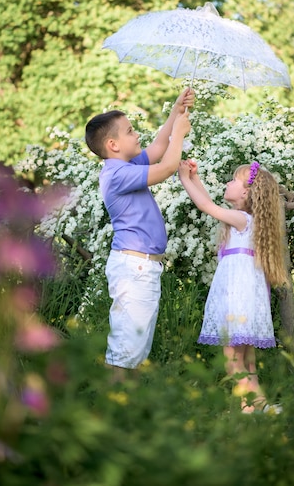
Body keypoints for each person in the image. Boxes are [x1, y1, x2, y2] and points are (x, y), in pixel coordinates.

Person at [85, 88, 194, 375]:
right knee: (125, 350)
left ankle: (126, 412)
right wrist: (180, 133)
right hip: (135, 268)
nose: (137, 135)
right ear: (113, 144)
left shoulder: (126, 165)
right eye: (130, 131)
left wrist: (176, 110)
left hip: (142, 267)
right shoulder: (116, 174)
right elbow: (168, 166)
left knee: (134, 350)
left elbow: (159, 146)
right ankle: (110, 412)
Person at [178, 159, 287, 413]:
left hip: (237, 296)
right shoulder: (247, 221)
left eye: (233, 180)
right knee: (246, 358)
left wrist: (184, 178)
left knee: (232, 357)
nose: (228, 183)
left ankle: (247, 409)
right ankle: (260, 405)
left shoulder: (242, 219)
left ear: (246, 192)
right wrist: (195, 178)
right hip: (245, 295)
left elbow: (206, 205)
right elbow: (210, 202)